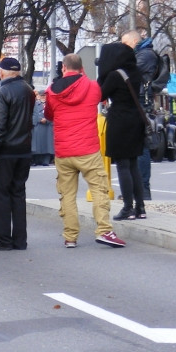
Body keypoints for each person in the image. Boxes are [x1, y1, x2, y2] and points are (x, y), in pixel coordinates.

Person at [44, 53, 125, 248]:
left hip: (64, 151)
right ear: (82, 68)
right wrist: (84, 76)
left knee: (68, 194)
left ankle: (70, 236)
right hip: (87, 149)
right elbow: (97, 96)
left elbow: (49, 114)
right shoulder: (92, 86)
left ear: (63, 68)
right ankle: (104, 231)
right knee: (98, 189)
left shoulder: (52, 90)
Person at [0, 57, 35, 251]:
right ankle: (20, 240)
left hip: (4, 152)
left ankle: (3, 239)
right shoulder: (28, 90)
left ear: (2, 72)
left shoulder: (2, 93)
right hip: (24, 150)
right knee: (18, 195)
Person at [98, 40, 147, 221]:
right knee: (133, 164)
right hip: (136, 119)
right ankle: (140, 207)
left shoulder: (114, 75)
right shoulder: (135, 72)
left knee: (122, 165)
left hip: (119, 119)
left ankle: (127, 207)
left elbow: (100, 95)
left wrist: (101, 76)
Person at [121, 30, 159, 201]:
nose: (123, 47)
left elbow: (129, 71)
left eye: (125, 43)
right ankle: (135, 190)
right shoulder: (142, 54)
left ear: (135, 41)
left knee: (142, 147)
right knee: (133, 147)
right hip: (137, 102)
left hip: (142, 104)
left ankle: (143, 190)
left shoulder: (146, 55)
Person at [31, 89, 54, 166]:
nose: (43, 97)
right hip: (38, 126)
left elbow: (54, 114)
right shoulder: (35, 104)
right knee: (37, 144)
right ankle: (36, 160)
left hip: (48, 127)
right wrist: (38, 120)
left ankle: (46, 160)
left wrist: (47, 120)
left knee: (47, 144)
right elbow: (32, 114)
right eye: (41, 95)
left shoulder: (50, 104)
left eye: (44, 95)